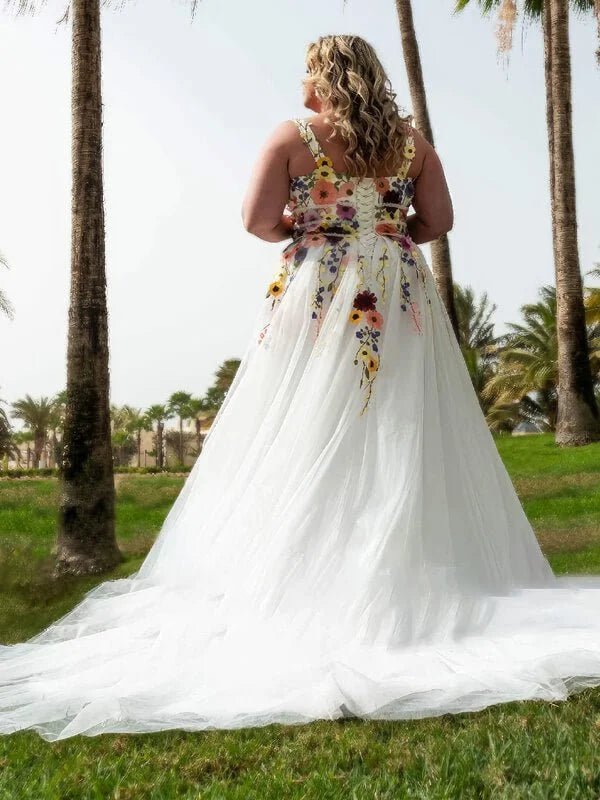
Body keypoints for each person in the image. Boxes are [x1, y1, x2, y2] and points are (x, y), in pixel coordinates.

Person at [1, 34, 600, 743]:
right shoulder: (412, 144)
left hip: (321, 288)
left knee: (302, 425)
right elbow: (438, 220)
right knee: (401, 427)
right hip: (398, 294)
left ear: (322, 76)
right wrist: (383, 224)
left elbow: (257, 219)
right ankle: (407, 569)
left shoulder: (294, 135)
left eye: (306, 73)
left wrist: (313, 222)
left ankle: (305, 573)